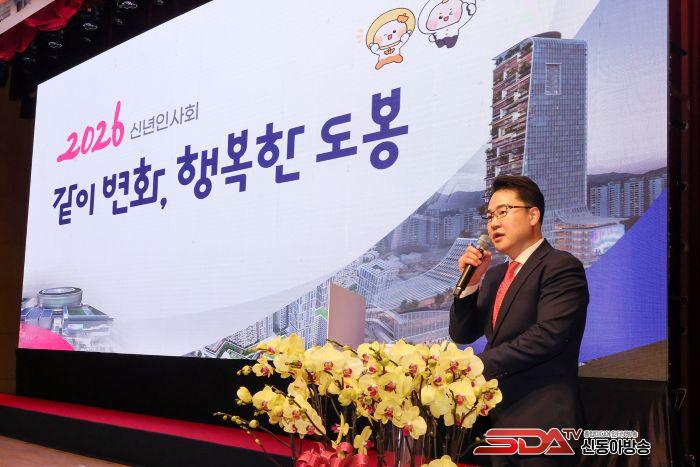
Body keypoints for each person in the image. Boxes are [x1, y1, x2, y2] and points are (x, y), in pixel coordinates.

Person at [450, 175, 588, 466]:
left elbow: (546, 336)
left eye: (503, 212)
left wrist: (472, 366)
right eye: (490, 216)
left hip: (542, 425)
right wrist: (471, 283)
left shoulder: (560, 266)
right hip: (494, 424)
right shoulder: (495, 276)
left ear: (533, 215)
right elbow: (462, 333)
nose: (493, 223)